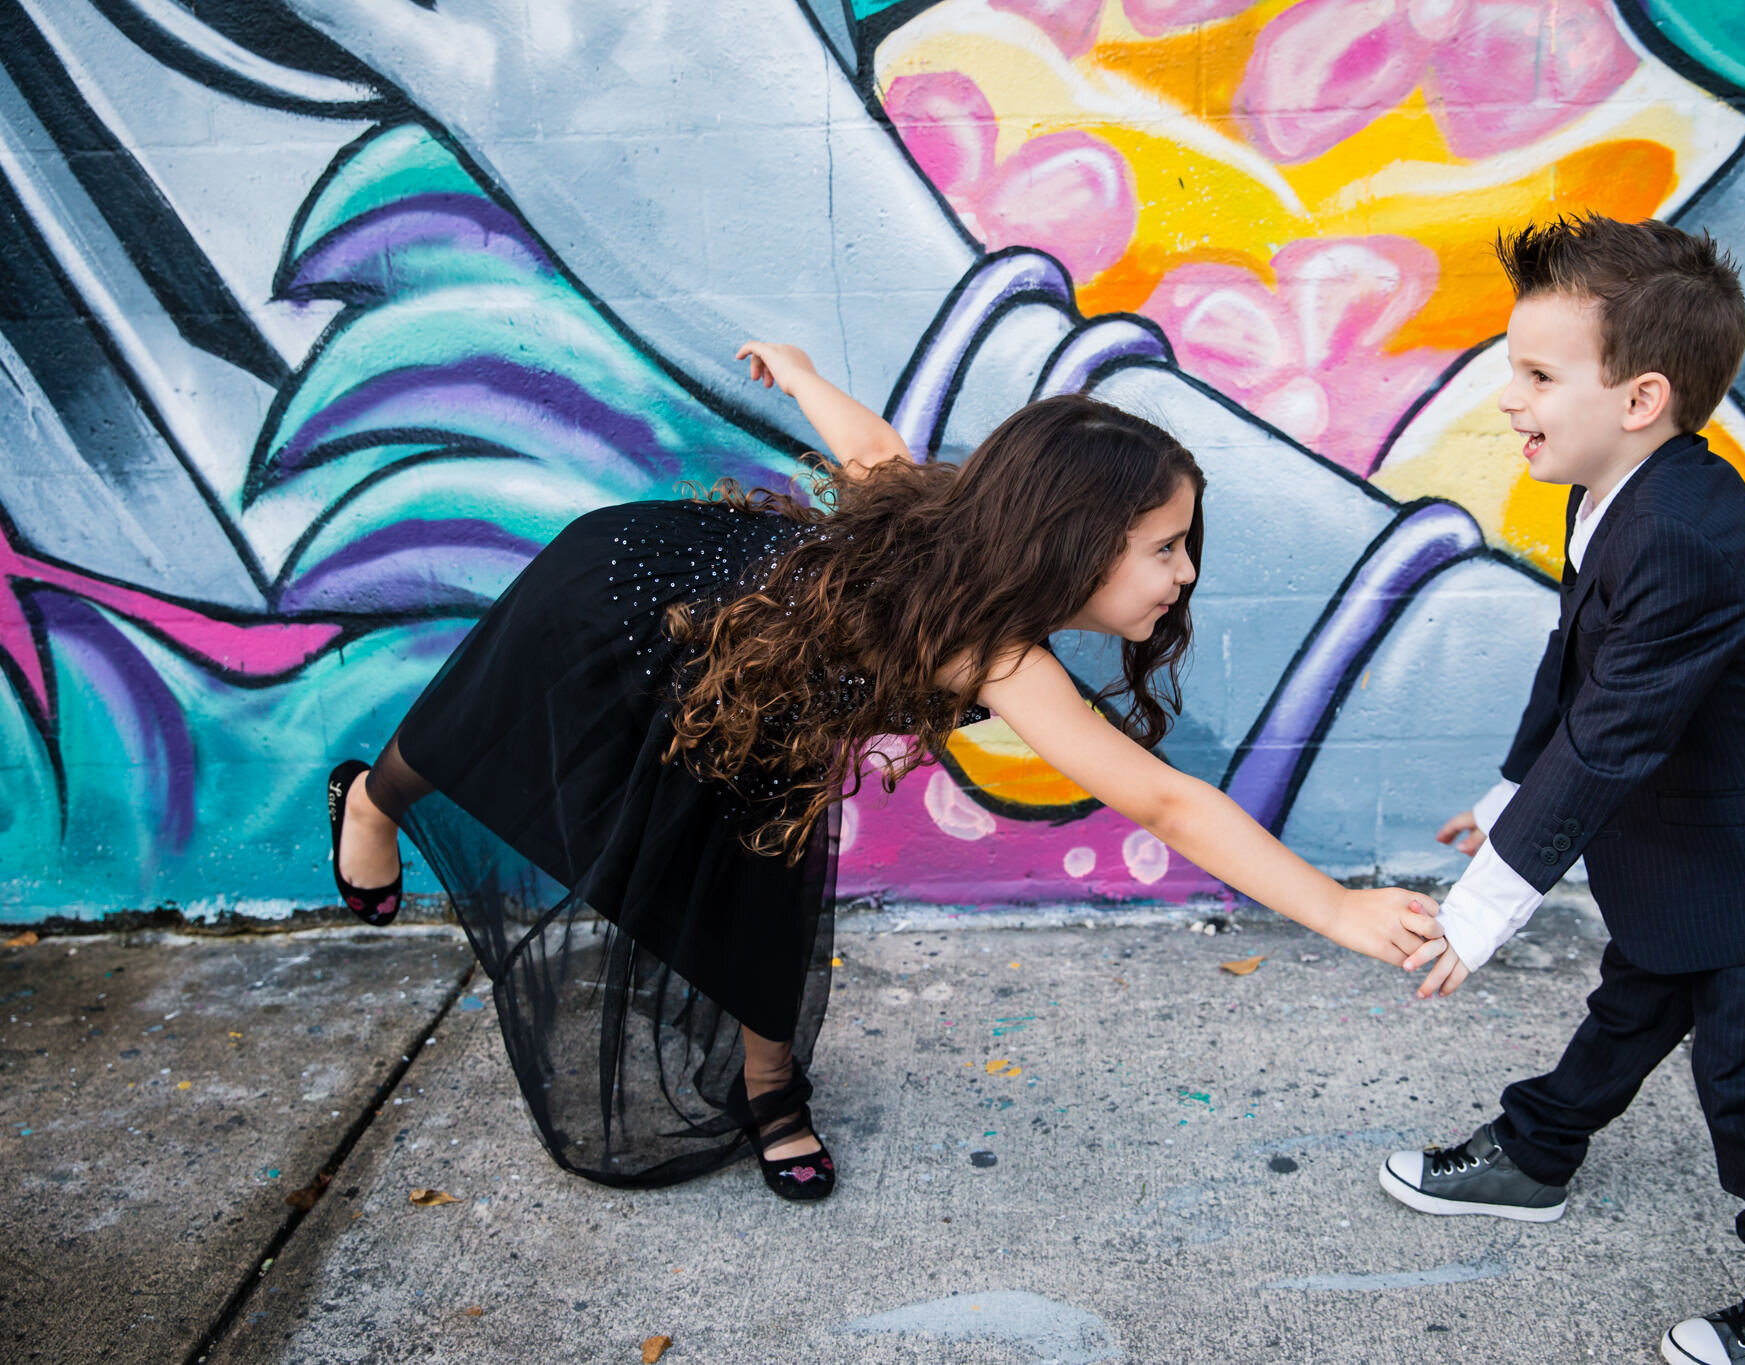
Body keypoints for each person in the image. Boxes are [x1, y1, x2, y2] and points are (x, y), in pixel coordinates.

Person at [326, 339, 1443, 1199]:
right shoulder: (980, 622)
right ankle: (371, 804)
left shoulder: (985, 594)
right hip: (624, 600)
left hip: (757, 706)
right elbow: (1159, 794)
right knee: (476, 731)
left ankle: (769, 1089)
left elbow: (869, 450)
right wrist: (1335, 909)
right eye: (1163, 547)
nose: (1183, 574)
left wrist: (805, 374)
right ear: (1067, 538)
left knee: (759, 895)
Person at [1376, 217, 1745, 1365]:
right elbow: (1580, 671)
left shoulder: (1685, 531)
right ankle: (1535, 1152)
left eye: (1537, 374)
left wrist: (1483, 905)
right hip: (1707, 846)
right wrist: (1506, 797)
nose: (1508, 397)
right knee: (1635, 994)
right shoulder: (1606, 489)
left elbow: (1610, 739)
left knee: (1742, 1080)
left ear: (1638, 398)